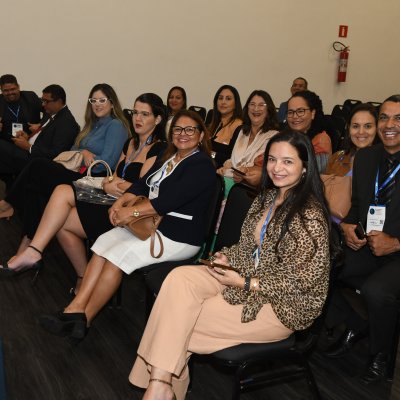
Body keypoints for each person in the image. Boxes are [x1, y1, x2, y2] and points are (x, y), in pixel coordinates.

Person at [128, 130, 331, 400]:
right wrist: (227, 259)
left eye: (287, 161)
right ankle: (162, 386)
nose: (277, 168)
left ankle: (158, 387)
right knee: (178, 281)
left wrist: (246, 282)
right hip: (245, 279)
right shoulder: (267, 198)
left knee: (176, 319)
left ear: (305, 167)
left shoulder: (310, 215)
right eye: (272, 160)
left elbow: (300, 282)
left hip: (280, 306)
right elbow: (247, 248)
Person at [38, 109, 217, 343]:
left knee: (116, 256)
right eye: (177, 129)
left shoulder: (201, 164)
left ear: (201, 135)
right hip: (154, 226)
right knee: (103, 243)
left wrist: (129, 212)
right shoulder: (171, 159)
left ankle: (85, 318)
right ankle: (75, 309)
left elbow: (166, 202)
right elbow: (143, 185)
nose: (182, 134)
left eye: (189, 129)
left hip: (178, 237)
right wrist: (120, 202)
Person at [0, 93, 166, 294]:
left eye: (145, 114)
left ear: (157, 119)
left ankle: (35, 252)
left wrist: (115, 184)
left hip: (126, 212)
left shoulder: (159, 148)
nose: (137, 118)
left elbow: (142, 188)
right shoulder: (130, 143)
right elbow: (112, 178)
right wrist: (113, 184)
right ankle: (78, 273)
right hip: (109, 198)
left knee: (48, 181)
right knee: (58, 212)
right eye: (135, 112)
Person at [324, 95, 400, 384]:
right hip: (369, 245)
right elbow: (357, 205)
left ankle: (380, 355)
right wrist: (347, 227)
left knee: (377, 291)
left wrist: (395, 243)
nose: (389, 124)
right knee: (324, 263)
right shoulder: (367, 157)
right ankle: (356, 324)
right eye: (384, 117)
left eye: (398, 119)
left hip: (398, 251)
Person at [0, 83, 129, 249]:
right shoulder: (93, 124)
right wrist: (84, 152)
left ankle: (10, 204)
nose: (97, 104)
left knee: (37, 164)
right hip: (77, 171)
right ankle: (28, 246)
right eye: (94, 100)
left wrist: (84, 154)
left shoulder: (115, 125)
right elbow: (73, 149)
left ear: (112, 102)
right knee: (35, 188)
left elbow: (107, 163)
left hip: (93, 181)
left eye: (102, 100)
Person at [0, 84, 80, 180]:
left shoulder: (67, 123)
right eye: (42, 100)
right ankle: (11, 181)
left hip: (37, 160)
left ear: (58, 101)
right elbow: (42, 136)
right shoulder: (51, 113)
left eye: (46, 101)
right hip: (31, 151)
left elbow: (56, 154)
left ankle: (10, 181)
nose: (42, 104)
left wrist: (28, 147)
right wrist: (27, 137)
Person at [217, 90, 279, 192]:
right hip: (228, 180)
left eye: (261, 105)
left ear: (269, 109)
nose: (256, 109)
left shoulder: (275, 138)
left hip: (250, 190)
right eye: (252, 104)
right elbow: (230, 159)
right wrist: (224, 168)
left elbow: (267, 170)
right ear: (247, 108)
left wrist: (244, 174)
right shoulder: (240, 131)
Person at [325, 103, 379, 176]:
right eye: (355, 126)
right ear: (349, 128)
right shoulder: (336, 158)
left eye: (368, 126)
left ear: (377, 128)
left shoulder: (385, 162)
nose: (361, 132)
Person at [286, 90, 332, 173]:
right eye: (290, 112)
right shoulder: (288, 136)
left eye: (300, 111)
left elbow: (315, 176)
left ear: (313, 113)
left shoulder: (321, 140)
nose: (295, 116)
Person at [208, 85, 243, 168]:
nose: (223, 102)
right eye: (220, 98)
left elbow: (233, 159)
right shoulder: (214, 124)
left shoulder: (240, 127)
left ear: (235, 104)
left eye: (228, 99)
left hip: (224, 175)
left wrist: (210, 154)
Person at [0, 74, 42, 140]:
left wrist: (40, 125)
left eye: (13, 89)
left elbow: (49, 111)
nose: (10, 92)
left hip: (30, 139)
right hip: (6, 142)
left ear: (18, 87)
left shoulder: (30, 97)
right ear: (1, 90)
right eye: (6, 90)